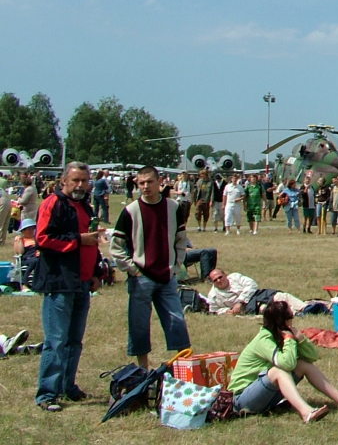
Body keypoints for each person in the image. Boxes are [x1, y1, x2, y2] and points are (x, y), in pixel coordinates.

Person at [31, 162, 101, 411]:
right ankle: (47, 393)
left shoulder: (85, 206)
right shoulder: (53, 203)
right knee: (56, 340)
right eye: (75, 180)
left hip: (82, 282)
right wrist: (78, 240)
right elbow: (43, 238)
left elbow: (92, 242)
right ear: (64, 181)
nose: (80, 185)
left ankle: (67, 385)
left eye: (84, 180)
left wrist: (96, 272)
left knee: (74, 340)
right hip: (60, 282)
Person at [228, 300, 338, 423]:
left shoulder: (281, 335)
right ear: (283, 322)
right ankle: (306, 413)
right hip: (242, 400)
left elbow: (313, 356)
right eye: (290, 317)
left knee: (302, 364)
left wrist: (300, 339)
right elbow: (287, 364)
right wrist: (289, 340)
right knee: (277, 372)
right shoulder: (264, 340)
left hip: (263, 396)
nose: (292, 321)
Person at [110, 165, 191, 370]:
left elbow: (181, 239)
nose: (145, 187)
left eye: (149, 182)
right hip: (141, 277)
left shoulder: (173, 208)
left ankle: (183, 368)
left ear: (159, 182)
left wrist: (176, 266)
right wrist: (133, 269)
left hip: (167, 276)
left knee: (177, 322)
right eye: (141, 183)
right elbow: (116, 246)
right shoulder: (131, 210)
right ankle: (143, 370)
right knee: (139, 325)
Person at [206, 268, 308, 315]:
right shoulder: (213, 295)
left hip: (257, 295)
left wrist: (240, 301)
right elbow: (214, 310)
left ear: (225, 275)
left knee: (282, 296)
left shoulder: (235, 277)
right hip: (248, 309)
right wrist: (227, 311)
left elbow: (252, 284)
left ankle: (306, 308)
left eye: (220, 277)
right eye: (215, 280)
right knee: (267, 308)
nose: (219, 280)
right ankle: (296, 313)